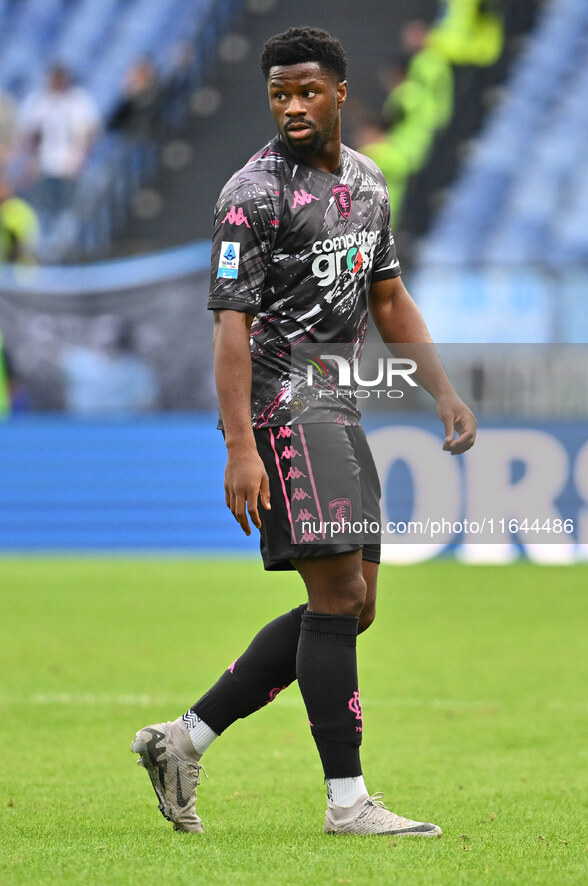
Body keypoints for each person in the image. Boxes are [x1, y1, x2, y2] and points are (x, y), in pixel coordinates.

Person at [131, 26, 476, 837]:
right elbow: (228, 330)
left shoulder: (366, 182)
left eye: (307, 91)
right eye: (280, 92)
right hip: (284, 406)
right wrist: (239, 447)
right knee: (336, 596)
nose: (292, 105)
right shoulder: (249, 195)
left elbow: (387, 298)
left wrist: (443, 391)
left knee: (354, 608)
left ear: (340, 94)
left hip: (340, 400)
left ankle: (184, 739)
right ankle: (347, 802)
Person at [19, 64, 100, 217]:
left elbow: (90, 131)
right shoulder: (39, 100)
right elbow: (32, 134)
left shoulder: (79, 100)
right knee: (43, 210)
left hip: (71, 167)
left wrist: (80, 157)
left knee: (72, 212)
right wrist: (31, 161)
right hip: (45, 166)